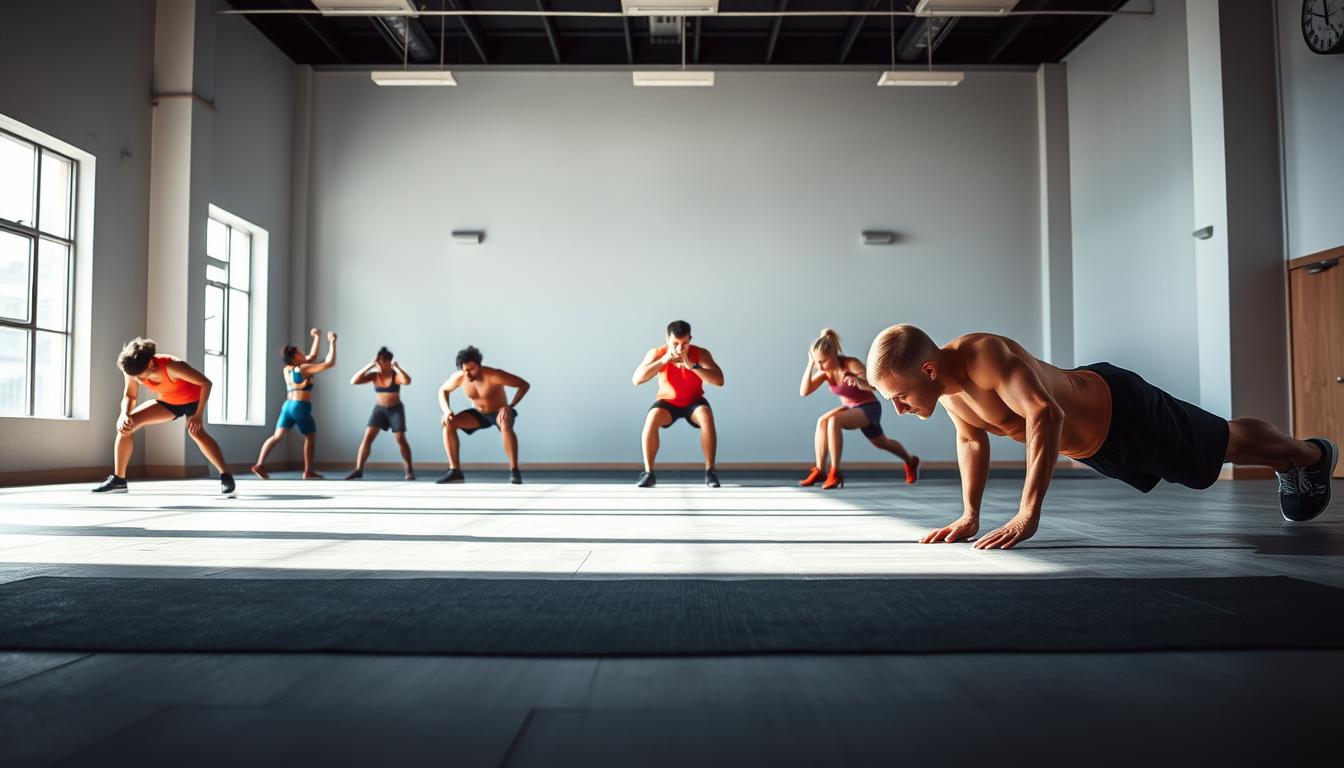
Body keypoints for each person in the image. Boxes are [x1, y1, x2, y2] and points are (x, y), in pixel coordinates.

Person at [864, 324, 1338, 550]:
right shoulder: (948, 392)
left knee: (1224, 443)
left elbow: (1044, 414)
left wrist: (1028, 513)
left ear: (928, 370)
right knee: (1200, 470)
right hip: (1097, 445)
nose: (899, 409)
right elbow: (971, 442)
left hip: (1122, 409)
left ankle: (1308, 455)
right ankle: (1289, 461)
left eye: (899, 396)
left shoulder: (984, 355)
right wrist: (970, 515)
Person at [92, 337, 235, 494]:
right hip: (169, 402)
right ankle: (119, 480)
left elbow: (206, 383)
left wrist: (198, 415)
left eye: (141, 376)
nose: (138, 380)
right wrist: (124, 414)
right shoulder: (132, 369)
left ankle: (225, 475)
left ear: (150, 363)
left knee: (196, 433)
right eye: (135, 377)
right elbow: (130, 396)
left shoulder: (172, 366)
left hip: (193, 401)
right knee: (127, 425)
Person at [799, 328, 919, 489]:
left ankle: (835, 473)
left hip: (869, 407)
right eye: (817, 362)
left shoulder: (851, 364)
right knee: (824, 422)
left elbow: (874, 386)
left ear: (834, 354)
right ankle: (820, 470)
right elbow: (804, 392)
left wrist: (858, 380)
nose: (820, 366)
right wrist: (810, 364)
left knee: (836, 422)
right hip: (850, 408)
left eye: (823, 361)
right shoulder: (826, 372)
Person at [631, 320, 725, 488]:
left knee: (705, 415)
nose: (680, 348)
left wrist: (692, 366)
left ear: (690, 339)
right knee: (652, 417)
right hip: (668, 402)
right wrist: (664, 360)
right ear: (667, 339)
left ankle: (710, 472)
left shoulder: (700, 353)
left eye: (684, 344)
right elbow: (636, 380)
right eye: (675, 344)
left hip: (694, 402)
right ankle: (648, 473)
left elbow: (719, 381)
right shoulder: (657, 353)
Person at [435, 346, 530, 485]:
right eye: (465, 370)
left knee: (505, 423)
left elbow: (524, 385)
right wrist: (446, 411)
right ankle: (455, 471)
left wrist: (510, 406)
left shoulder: (494, 375)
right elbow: (442, 390)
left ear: (479, 365)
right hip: (479, 414)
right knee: (448, 423)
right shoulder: (460, 378)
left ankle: (514, 470)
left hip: (499, 413)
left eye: (471, 369)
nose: (468, 374)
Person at [252, 328, 337, 479]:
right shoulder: (304, 368)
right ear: (294, 358)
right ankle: (308, 470)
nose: (302, 353)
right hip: (300, 406)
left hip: (287, 406)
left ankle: (259, 464)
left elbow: (312, 356)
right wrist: (332, 342)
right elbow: (329, 363)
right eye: (299, 353)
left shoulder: (288, 369)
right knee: (310, 437)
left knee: (277, 436)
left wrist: (316, 337)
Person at [344, 346, 415, 481]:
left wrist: (397, 368)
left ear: (389, 363)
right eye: (379, 362)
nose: (381, 365)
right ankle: (358, 469)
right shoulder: (374, 376)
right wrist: (369, 365)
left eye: (384, 362)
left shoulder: (395, 376)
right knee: (367, 438)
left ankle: (409, 469)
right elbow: (353, 381)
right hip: (380, 410)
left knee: (400, 439)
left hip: (395, 409)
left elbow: (407, 381)